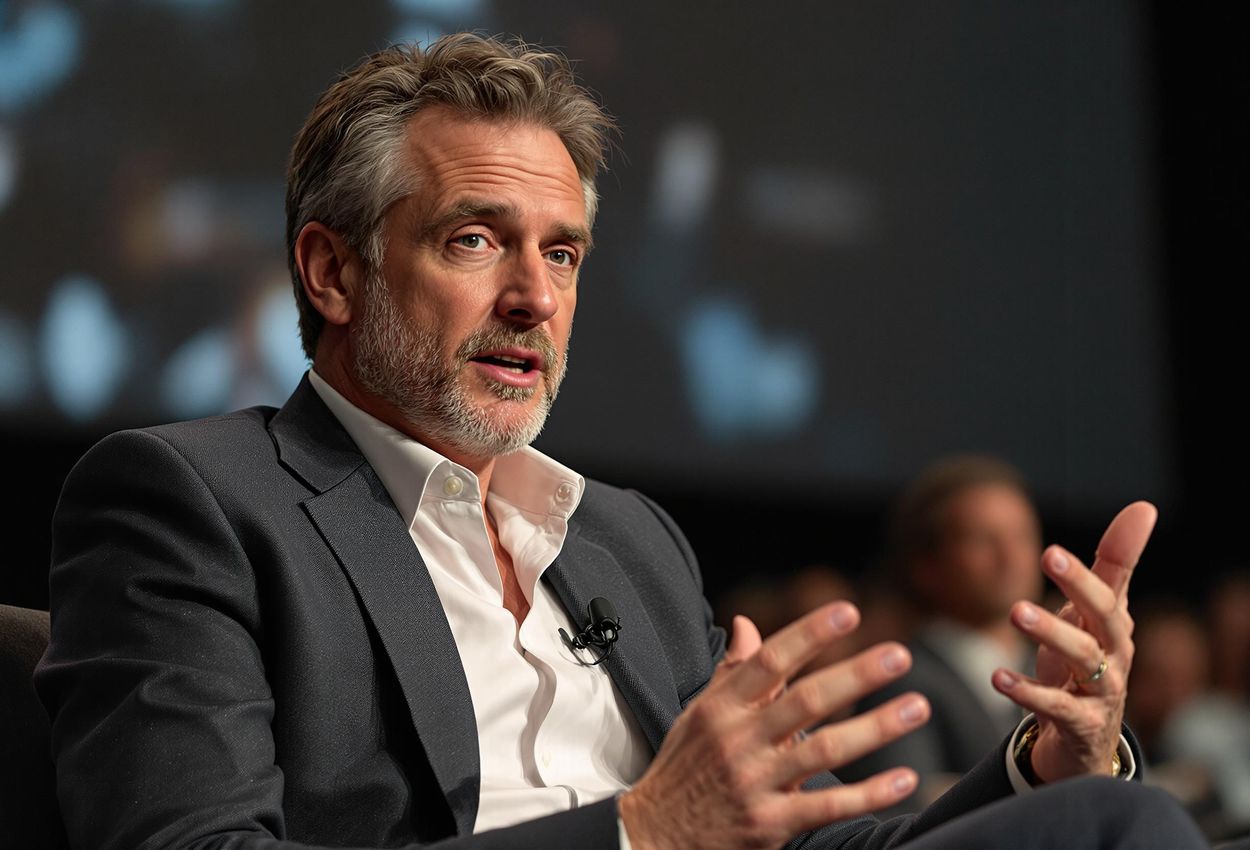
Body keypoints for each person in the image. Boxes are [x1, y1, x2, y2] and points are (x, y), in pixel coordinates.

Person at [35, 34, 1205, 850]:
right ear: (332, 271)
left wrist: (1041, 772)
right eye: (475, 240)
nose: (534, 300)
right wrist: (642, 832)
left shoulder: (626, 540)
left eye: (561, 253)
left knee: (1127, 818)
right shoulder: (190, 501)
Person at [840, 456, 1044, 810]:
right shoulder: (900, 680)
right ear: (927, 566)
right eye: (983, 539)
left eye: (1022, 536)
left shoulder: (1053, 669)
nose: (1011, 556)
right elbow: (906, 817)